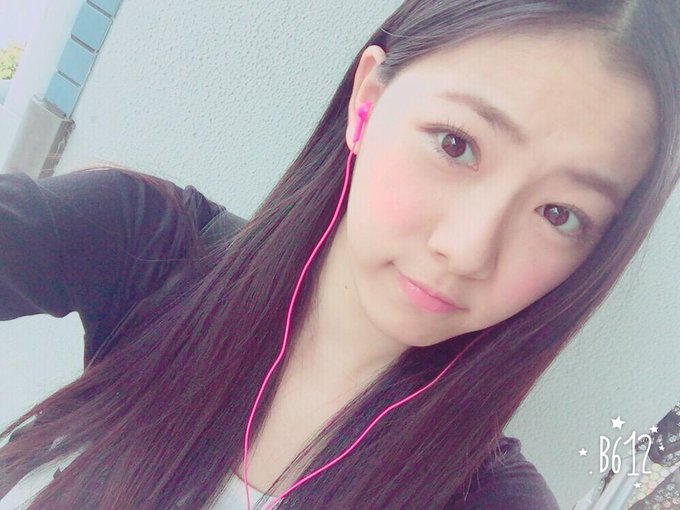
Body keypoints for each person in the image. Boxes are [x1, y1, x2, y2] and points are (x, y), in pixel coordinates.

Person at [0, 0, 678, 508]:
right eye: (456, 144)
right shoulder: (149, 246)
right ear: (366, 104)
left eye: (560, 215)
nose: (467, 250)